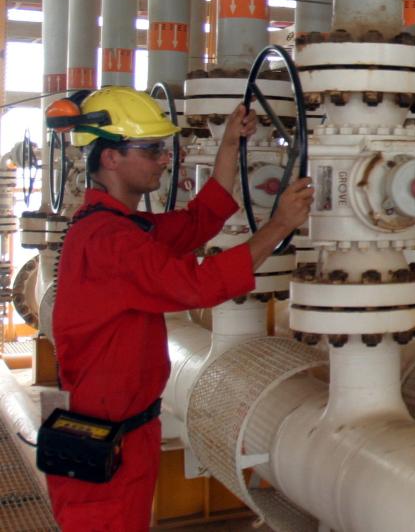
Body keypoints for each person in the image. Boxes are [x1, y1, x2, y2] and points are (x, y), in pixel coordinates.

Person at [42, 86, 313, 531]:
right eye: (150, 150)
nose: (164, 159)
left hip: (129, 432)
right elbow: (200, 286)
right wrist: (280, 225)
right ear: (110, 158)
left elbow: (199, 220)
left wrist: (229, 144)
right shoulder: (109, 242)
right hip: (104, 440)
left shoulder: (123, 227)